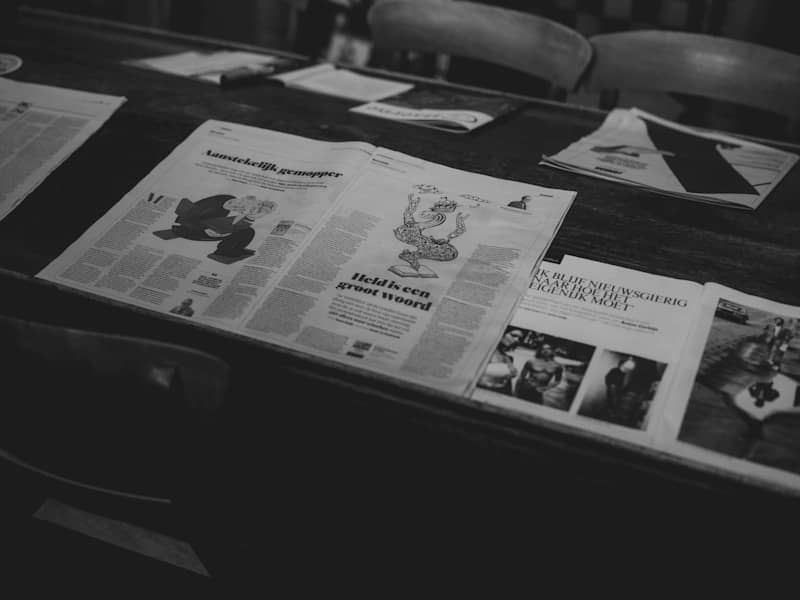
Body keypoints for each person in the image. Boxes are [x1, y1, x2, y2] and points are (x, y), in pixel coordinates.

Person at [154, 193, 275, 263]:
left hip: (212, 224)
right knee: (241, 227)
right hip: (198, 227)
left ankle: (229, 250)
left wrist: (252, 214)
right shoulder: (216, 205)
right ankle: (224, 251)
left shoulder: (234, 211)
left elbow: (238, 220)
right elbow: (191, 217)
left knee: (247, 231)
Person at [477, 329, 522, 395]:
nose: (517, 340)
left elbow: (508, 384)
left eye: (519, 338)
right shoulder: (483, 351)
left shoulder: (509, 358)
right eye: (514, 335)